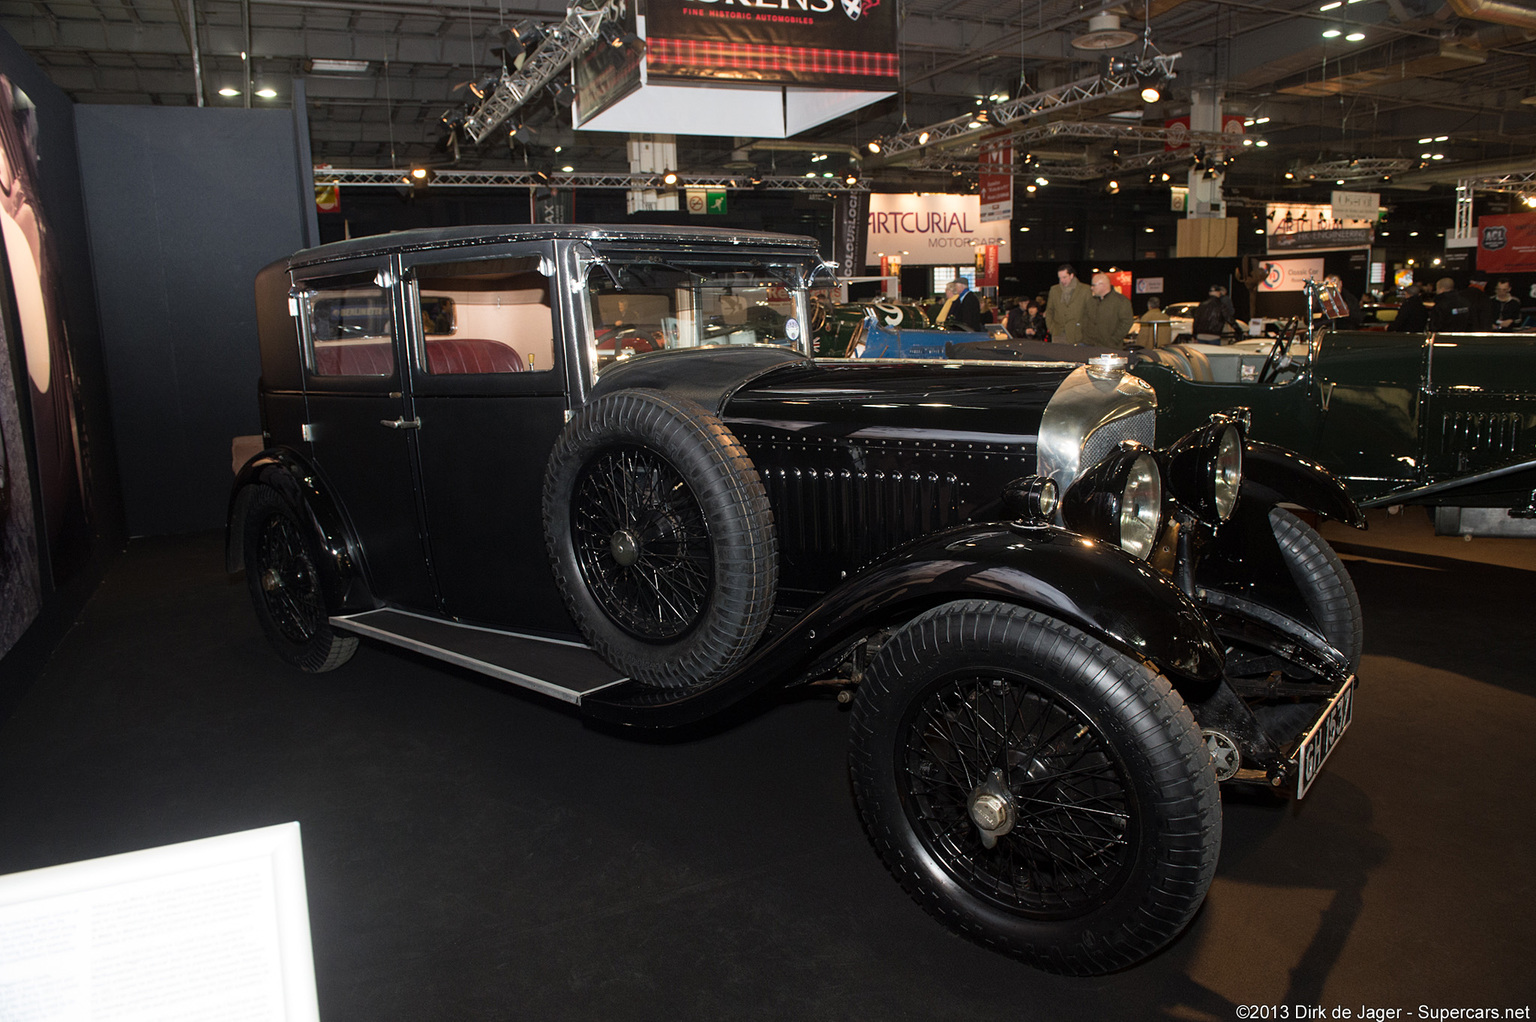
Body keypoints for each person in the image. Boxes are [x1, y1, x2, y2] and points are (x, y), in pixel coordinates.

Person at [1081, 272, 1134, 348]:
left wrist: (1114, 340)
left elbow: (1127, 322)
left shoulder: (1121, 301)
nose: (1091, 288)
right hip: (1089, 346)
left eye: (1093, 285)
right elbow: (1085, 319)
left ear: (1103, 285)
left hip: (1110, 348)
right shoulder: (1091, 301)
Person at [1044, 263, 1088, 344]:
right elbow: (1049, 310)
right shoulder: (1054, 290)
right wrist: (1051, 328)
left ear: (1071, 275)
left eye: (1064, 277)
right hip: (1058, 334)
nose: (1062, 281)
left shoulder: (1085, 290)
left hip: (1077, 335)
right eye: (1060, 278)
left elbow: (1089, 312)